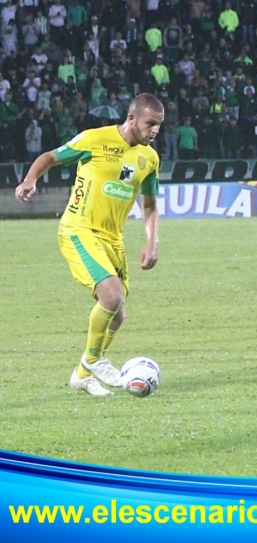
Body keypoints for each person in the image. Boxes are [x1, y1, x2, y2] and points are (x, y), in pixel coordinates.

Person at [15, 93, 164, 396]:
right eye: (150, 123)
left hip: (112, 238)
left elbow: (149, 205)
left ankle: (82, 374)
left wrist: (152, 240)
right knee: (111, 295)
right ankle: (95, 360)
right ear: (131, 118)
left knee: (118, 313)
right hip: (79, 229)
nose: (155, 131)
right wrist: (31, 178)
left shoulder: (149, 159)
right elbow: (50, 157)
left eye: (159, 125)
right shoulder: (94, 139)